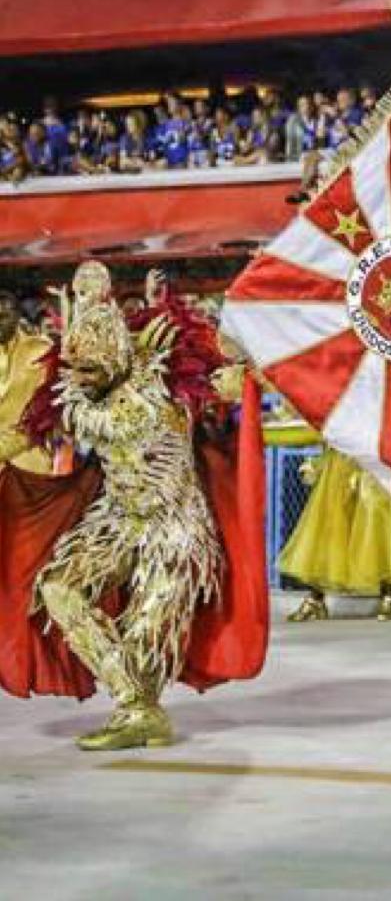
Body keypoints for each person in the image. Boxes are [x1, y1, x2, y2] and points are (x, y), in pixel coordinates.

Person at [0, 263, 267, 750]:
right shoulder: (77, 392)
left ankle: (139, 708)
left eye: (90, 369)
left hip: (175, 527)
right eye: (75, 369)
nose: (79, 379)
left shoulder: (164, 384)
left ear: (117, 359)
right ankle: (137, 706)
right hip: (116, 520)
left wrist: (237, 368)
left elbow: (237, 375)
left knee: (148, 635)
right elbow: (26, 430)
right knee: (58, 589)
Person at [280, 448, 391, 621]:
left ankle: (388, 596)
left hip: (380, 455)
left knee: (385, 524)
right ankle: (315, 599)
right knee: (332, 526)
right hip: (344, 457)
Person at [0, 290, 52, 473]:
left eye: (3, 317)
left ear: (17, 316)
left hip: (27, 457)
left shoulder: (41, 350)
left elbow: (47, 412)